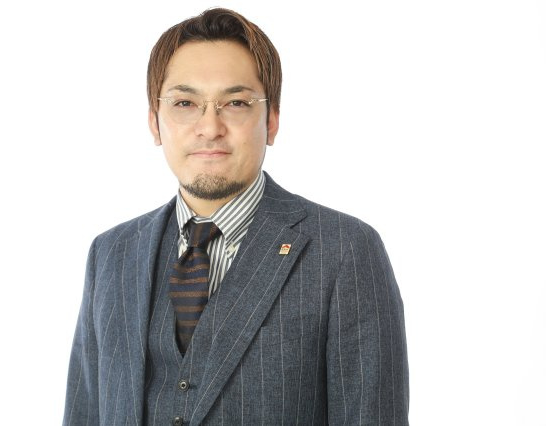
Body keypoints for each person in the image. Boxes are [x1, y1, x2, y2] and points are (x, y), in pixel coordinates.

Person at [63, 8, 409, 426]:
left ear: (272, 120)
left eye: (236, 103)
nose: (210, 127)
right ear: (155, 122)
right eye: (185, 103)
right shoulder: (111, 254)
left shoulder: (344, 250)